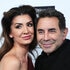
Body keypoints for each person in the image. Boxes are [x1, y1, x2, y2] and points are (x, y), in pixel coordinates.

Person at [0, 5, 37, 70]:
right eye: (18, 27)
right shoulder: (11, 61)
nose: (26, 31)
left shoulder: (27, 57)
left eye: (29, 25)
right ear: (10, 33)